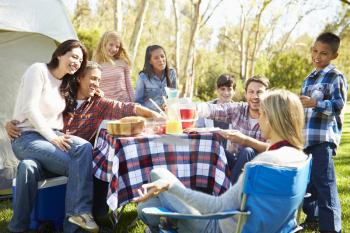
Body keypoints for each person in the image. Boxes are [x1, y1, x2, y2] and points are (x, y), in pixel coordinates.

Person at [7, 61, 162, 233]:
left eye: (99, 80)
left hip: (71, 159)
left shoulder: (99, 104)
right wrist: (11, 124)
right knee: (35, 165)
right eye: (93, 78)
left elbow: (128, 108)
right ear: (80, 78)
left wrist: (156, 115)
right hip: (49, 153)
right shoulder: (60, 97)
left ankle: (62, 226)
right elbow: (32, 110)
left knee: (33, 165)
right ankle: (23, 226)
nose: (96, 83)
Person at [135, 89, 308, 233]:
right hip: (268, 226)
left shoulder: (262, 164)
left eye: (261, 114)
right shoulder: (299, 157)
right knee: (149, 203)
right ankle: (160, 224)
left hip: (217, 227)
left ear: (270, 120)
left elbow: (217, 207)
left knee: (156, 178)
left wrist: (169, 187)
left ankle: (159, 226)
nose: (259, 119)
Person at [7, 39, 100, 233]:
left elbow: (85, 94)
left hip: (52, 136)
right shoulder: (38, 70)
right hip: (26, 138)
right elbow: (30, 108)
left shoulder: (66, 83)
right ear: (59, 54)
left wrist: (96, 92)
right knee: (80, 166)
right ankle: (76, 219)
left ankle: (18, 227)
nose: (76, 62)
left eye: (80, 60)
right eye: (73, 56)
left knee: (29, 167)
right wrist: (52, 138)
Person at [300, 32, 347, 233]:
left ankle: (331, 228)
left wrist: (315, 103)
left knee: (324, 184)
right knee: (308, 183)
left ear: (334, 56)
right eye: (315, 51)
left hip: (322, 139)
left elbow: (338, 105)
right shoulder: (308, 79)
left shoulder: (336, 76)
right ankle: (313, 218)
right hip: (305, 139)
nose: (317, 57)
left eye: (324, 53)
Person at [196, 75, 270, 184]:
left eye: (259, 92)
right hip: (237, 163)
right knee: (215, 147)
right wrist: (195, 108)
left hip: (260, 166)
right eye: (251, 92)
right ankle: (205, 187)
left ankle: (229, 192)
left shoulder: (272, 116)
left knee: (247, 151)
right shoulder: (238, 109)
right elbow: (216, 109)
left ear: (267, 95)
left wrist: (245, 140)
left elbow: (271, 148)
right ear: (245, 94)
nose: (255, 96)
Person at [196, 74, 236, 168]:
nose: (226, 93)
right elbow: (198, 130)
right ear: (217, 90)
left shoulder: (239, 110)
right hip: (208, 155)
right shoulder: (206, 108)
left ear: (234, 91)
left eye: (229, 89)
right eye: (222, 89)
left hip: (230, 157)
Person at [93, 31, 134, 102]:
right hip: (104, 104)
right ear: (104, 44)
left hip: (123, 103)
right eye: (111, 45)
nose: (114, 49)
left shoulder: (123, 63)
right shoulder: (96, 65)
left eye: (117, 46)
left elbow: (129, 86)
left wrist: (133, 103)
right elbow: (93, 87)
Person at [135, 45, 177, 112]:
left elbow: (173, 98)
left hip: (167, 115)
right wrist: (154, 108)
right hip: (149, 115)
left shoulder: (172, 73)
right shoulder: (143, 77)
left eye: (162, 56)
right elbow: (137, 103)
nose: (160, 60)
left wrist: (169, 105)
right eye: (156, 58)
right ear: (150, 61)